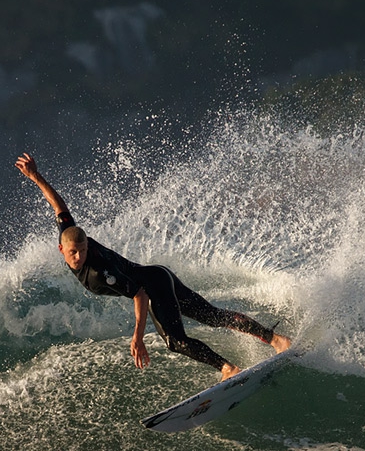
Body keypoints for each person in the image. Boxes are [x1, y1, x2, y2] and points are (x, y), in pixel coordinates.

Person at [15, 153, 291, 382]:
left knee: (175, 341)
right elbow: (59, 207)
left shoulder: (101, 272)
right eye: (74, 252)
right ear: (62, 248)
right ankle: (276, 339)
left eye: (83, 250)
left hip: (153, 285)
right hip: (158, 274)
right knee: (211, 315)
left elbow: (140, 295)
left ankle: (228, 369)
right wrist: (35, 177)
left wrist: (137, 337)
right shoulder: (70, 233)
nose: (79, 256)